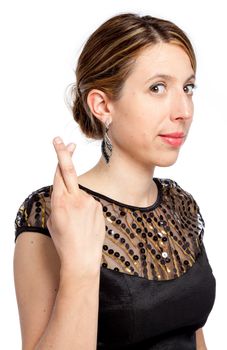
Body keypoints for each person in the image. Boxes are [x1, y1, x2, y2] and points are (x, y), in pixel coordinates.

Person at [13, 12, 216, 350]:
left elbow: (193, 333)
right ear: (103, 104)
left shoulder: (181, 206)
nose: (184, 110)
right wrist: (80, 266)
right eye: (158, 87)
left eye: (188, 87)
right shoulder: (50, 214)